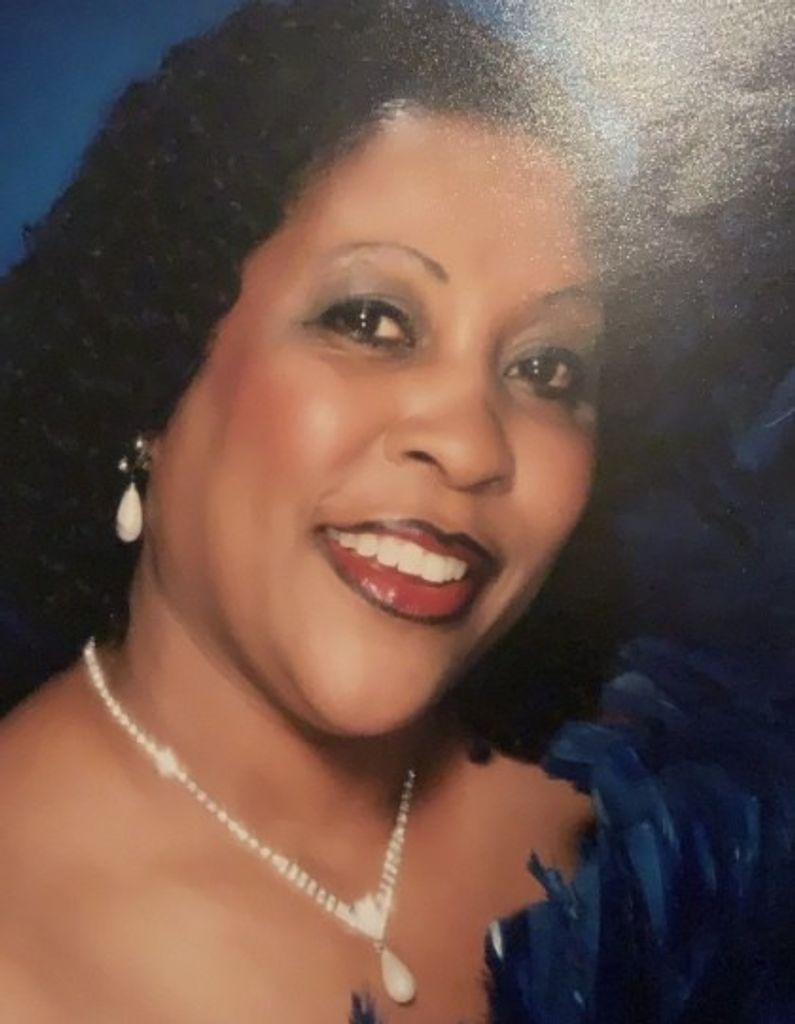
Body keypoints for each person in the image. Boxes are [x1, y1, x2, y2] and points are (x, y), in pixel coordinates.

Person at [0, 1, 612, 1020]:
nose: (470, 445)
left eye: (546, 367)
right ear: (155, 367)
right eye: (371, 319)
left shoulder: (664, 808)